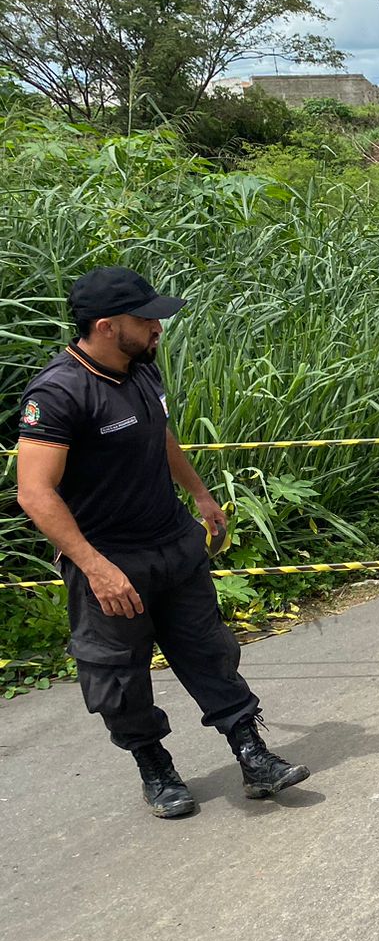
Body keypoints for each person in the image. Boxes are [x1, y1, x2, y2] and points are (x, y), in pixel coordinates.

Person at [14, 267, 309, 819]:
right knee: (118, 677)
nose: (157, 327)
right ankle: (156, 771)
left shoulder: (140, 370)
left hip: (173, 545)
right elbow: (34, 492)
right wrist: (95, 567)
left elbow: (160, 433)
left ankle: (254, 757)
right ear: (105, 326)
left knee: (210, 651)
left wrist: (199, 492)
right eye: (146, 319)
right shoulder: (58, 393)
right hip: (110, 562)